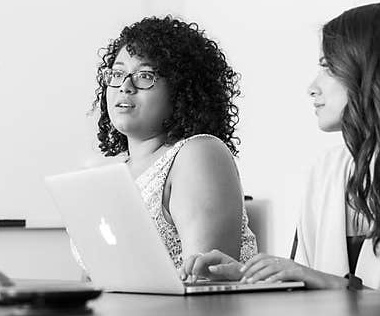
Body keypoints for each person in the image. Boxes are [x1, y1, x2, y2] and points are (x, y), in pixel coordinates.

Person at [183, 2, 380, 292]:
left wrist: (334, 286)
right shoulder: (326, 171)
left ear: (371, 72)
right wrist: (247, 278)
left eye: (327, 66)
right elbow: (306, 287)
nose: (312, 87)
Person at [84, 15, 257, 270]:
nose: (125, 86)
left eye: (144, 75)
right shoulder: (111, 173)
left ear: (180, 88)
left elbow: (204, 281)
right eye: (118, 73)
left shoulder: (199, 153)